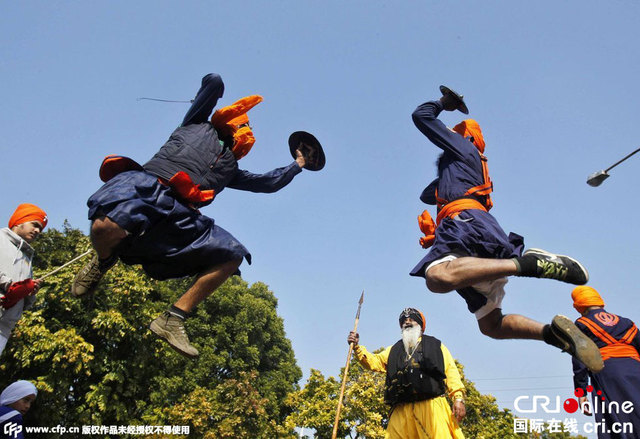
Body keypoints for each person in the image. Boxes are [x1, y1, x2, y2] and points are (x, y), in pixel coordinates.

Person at [71, 73, 320, 359]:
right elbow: (212, 84)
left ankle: (173, 318)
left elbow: (268, 183)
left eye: (246, 129)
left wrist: (298, 163)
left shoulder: (231, 169)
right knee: (104, 226)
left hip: (179, 216)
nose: (244, 130)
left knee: (232, 255)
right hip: (148, 185)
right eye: (242, 123)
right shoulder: (195, 123)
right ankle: (103, 262)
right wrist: (216, 85)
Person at [408, 90, 603, 373]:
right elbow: (428, 193)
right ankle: (553, 334)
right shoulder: (463, 168)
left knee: (437, 277)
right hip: (479, 228)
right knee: (492, 325)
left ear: (464, 138)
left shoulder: (464, 150)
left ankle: (527, 264)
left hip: (465, 224)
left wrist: (443, 105)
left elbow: (421, 116)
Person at [347, 308, 466, 438]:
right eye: (404, 321)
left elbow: (451, 372)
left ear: (421, 326)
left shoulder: (436, 346)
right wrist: (357, 347)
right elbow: (374, 362)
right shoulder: (394, 350)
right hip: (401, 411)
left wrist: (458, 398)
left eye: (412, 319)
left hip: (431, 406)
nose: (407, 322)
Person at [570, 286, 640, 438]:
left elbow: (580, 358)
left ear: (579, 305)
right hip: (636, 369)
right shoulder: (627, 323)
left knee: (616, 420)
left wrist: (581, 392)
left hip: (609, 373)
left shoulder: (582, 324)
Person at [0, 204, 47, 356]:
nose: (38, 231)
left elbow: (25, 304)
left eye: (40, 229)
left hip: (4, 328)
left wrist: (30, 292)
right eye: (35, 225)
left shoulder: (28, 260)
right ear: (20, 221)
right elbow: (10, 287)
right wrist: (8, 284)